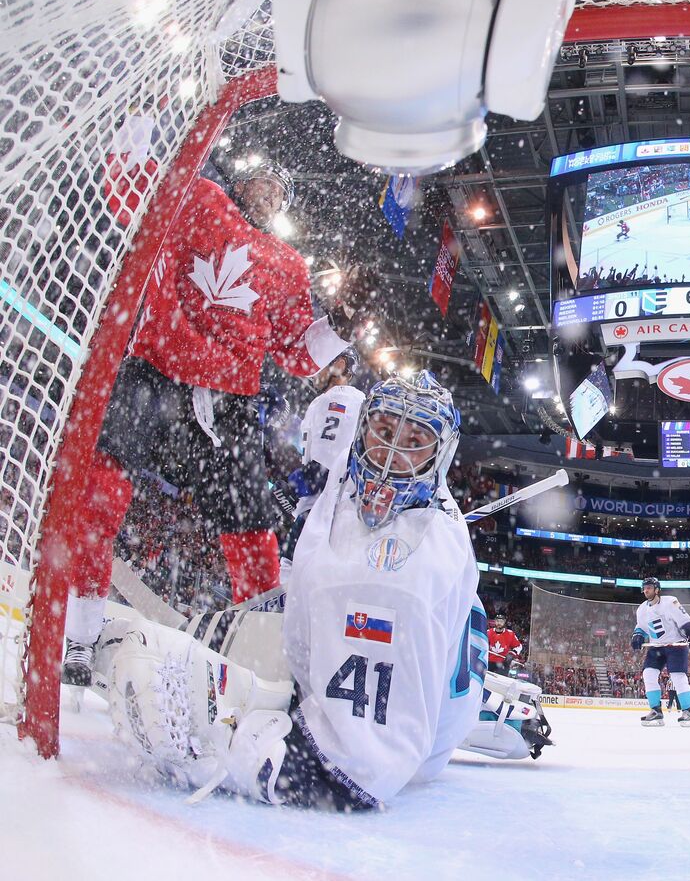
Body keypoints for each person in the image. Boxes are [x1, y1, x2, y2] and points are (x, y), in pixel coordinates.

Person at [90, 372, 550, 807]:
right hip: (417, 693)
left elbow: (362, 767)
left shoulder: (404, 574)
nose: (391, 454)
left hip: (391, 739)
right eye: (384, 431)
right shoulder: (366, 487)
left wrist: (244, 756)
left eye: (414, 443)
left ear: (439, 457)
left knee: (163, 667)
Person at [61, 161, 353, 687]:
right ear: (242, 183)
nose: (271, 195)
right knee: (99, 493)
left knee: (253, 533)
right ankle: (79, 634)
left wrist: (340, 326)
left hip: (229, 402)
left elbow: (297, 355)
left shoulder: (288, 264)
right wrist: (136, 134)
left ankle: (262, 664)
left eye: (280, 192)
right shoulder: (201, 199)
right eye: (265, 183)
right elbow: (127, 191)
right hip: (155, 373)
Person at [290, 349, 364, 521]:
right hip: (320, 508)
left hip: (322, 511)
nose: (313, 370)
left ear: (339, 365)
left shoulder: (342, 399)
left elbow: (326, 465)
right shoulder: (327, 399)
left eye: (319, 362)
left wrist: (294, 487)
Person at [630, 576, 690, 727]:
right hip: (656, 646)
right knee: (648, 674)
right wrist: (637, 636)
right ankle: (656, 711)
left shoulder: (670, 602)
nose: (646, 590)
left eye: (649, 587)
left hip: (675, 644)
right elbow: (641, 627)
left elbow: (684, 619)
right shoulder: (642, 609)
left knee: (677, 676)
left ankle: (688, 712)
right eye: (644, 588)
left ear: (657, 589)